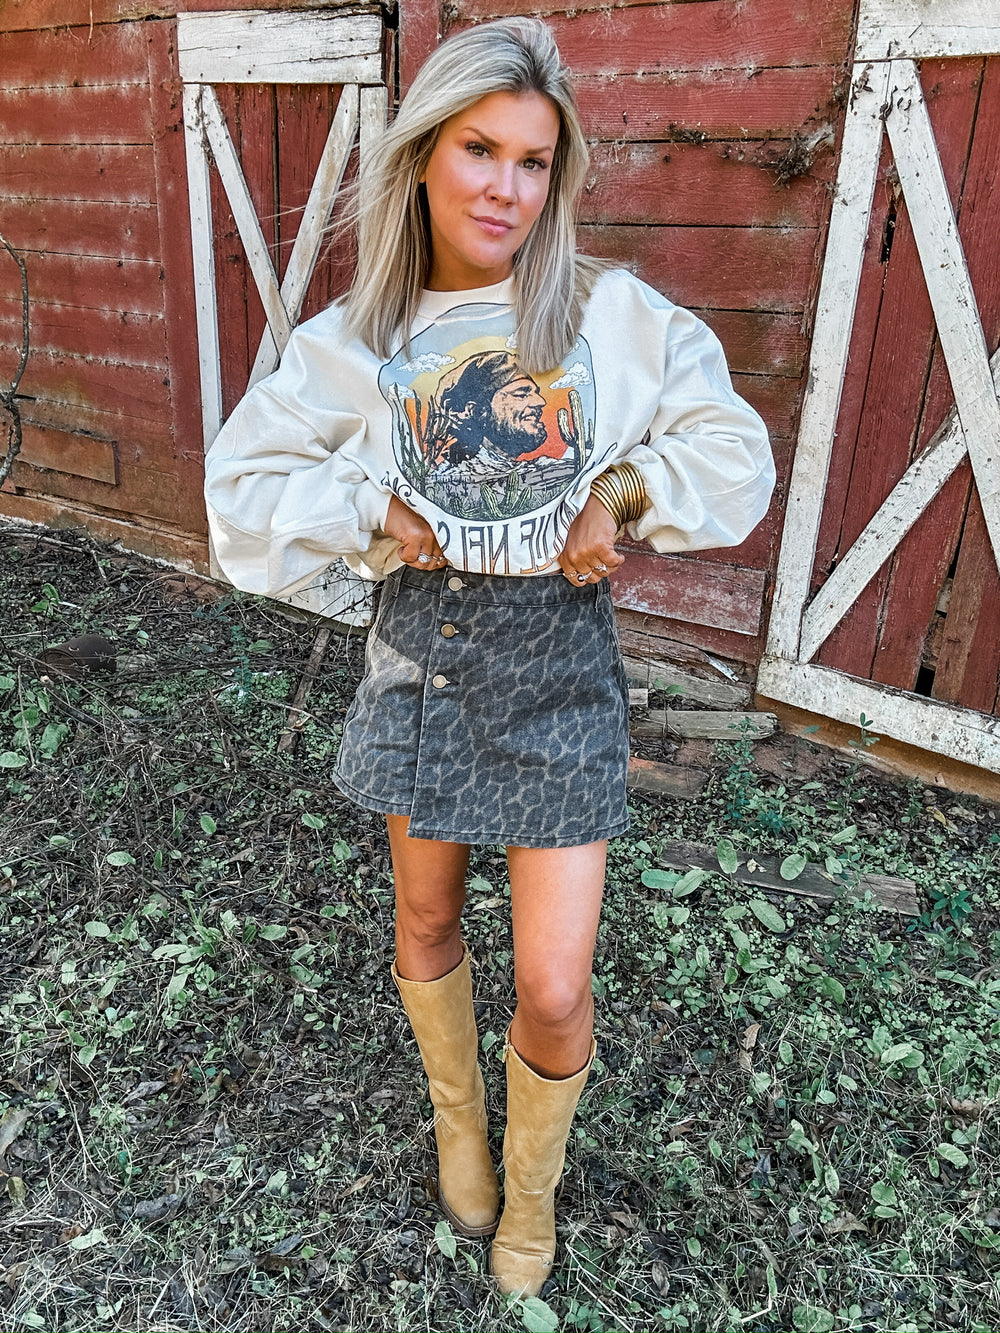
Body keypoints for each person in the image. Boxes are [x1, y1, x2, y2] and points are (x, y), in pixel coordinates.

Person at [204, 16, 774, 1299]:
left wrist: (621, 493)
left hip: (558, 661)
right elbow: (241, 485)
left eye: (532, 161)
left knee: (555, 986)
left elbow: (730, 448)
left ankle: (532, 1187)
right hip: (425, 647)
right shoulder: (356, 341)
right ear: (421, 155)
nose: (505, 187)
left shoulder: (610, 317)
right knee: (424, 915)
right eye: (478, 149)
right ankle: (459, 1125)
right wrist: (368, 507)